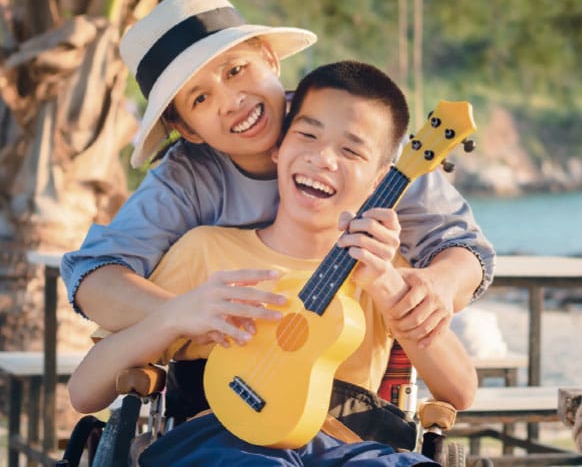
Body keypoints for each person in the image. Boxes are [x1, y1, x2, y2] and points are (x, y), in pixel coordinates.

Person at [68, 60, 478, 466]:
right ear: (278, 148)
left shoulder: (384, 268)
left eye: (351, 150)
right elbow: (86, 391)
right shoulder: (206, 252)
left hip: (348, 447)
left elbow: (459, 392)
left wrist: (387, 287)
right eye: (308, 135)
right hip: (219, 440)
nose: (323, 159)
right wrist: (174, 316)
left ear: (379, 179)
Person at [61, 0, 494, 348]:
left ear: (269, 58)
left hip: (354, 368)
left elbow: (463, 247)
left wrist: (440, 283)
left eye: (235, 70)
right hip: (235, 375)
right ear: (186, 128)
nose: (232, 102)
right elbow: (94, 277)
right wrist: (183, 313)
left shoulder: (358, 138)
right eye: (200, 99)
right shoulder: (187, 176)